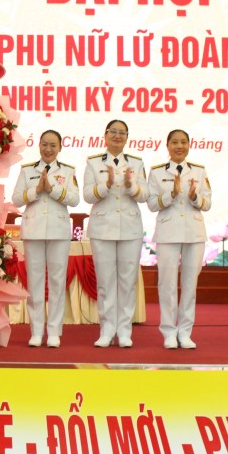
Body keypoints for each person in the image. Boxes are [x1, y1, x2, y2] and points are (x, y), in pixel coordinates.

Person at [11, 131, 80, 348]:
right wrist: (36, 190)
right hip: (33, 230)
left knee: (58, 282)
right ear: (39, 145)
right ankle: (36, 330)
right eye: (45, 145)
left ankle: (54, 331)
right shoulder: (27, 170)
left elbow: (75, 199)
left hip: (58, 231)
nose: (48, 149)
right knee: (35, 282)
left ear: (60, 147)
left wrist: (53, 190)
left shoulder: (68, 171)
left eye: (53, 145)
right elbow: (16, 199)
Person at [83, 120, 147, 348]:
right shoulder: (93, 163)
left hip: (130, 228)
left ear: (127, 137)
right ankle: (107, 329)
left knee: (127, 281)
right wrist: (106, 185)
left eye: (122, 133)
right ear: (105, 135)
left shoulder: (137, 163)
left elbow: (145, 196)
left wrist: (132, 186)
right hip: (103, 228)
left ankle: (125, 330)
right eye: (114, 132)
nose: (118, 136)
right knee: (106, 281)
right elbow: (88, 197)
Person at [147, 129, 212, 349]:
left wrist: (194, 197)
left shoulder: (199, 171)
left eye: (183, 142)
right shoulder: (157, 173)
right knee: (166, 284)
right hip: (167, 233)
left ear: (189, 145)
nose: (179, 146)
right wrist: (171, 194)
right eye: (175, 142)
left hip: (194, 233)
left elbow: (207, 203)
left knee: (189, 284)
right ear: (167, 145)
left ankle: (185, 332)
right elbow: (152, 204)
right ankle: (168, 332)